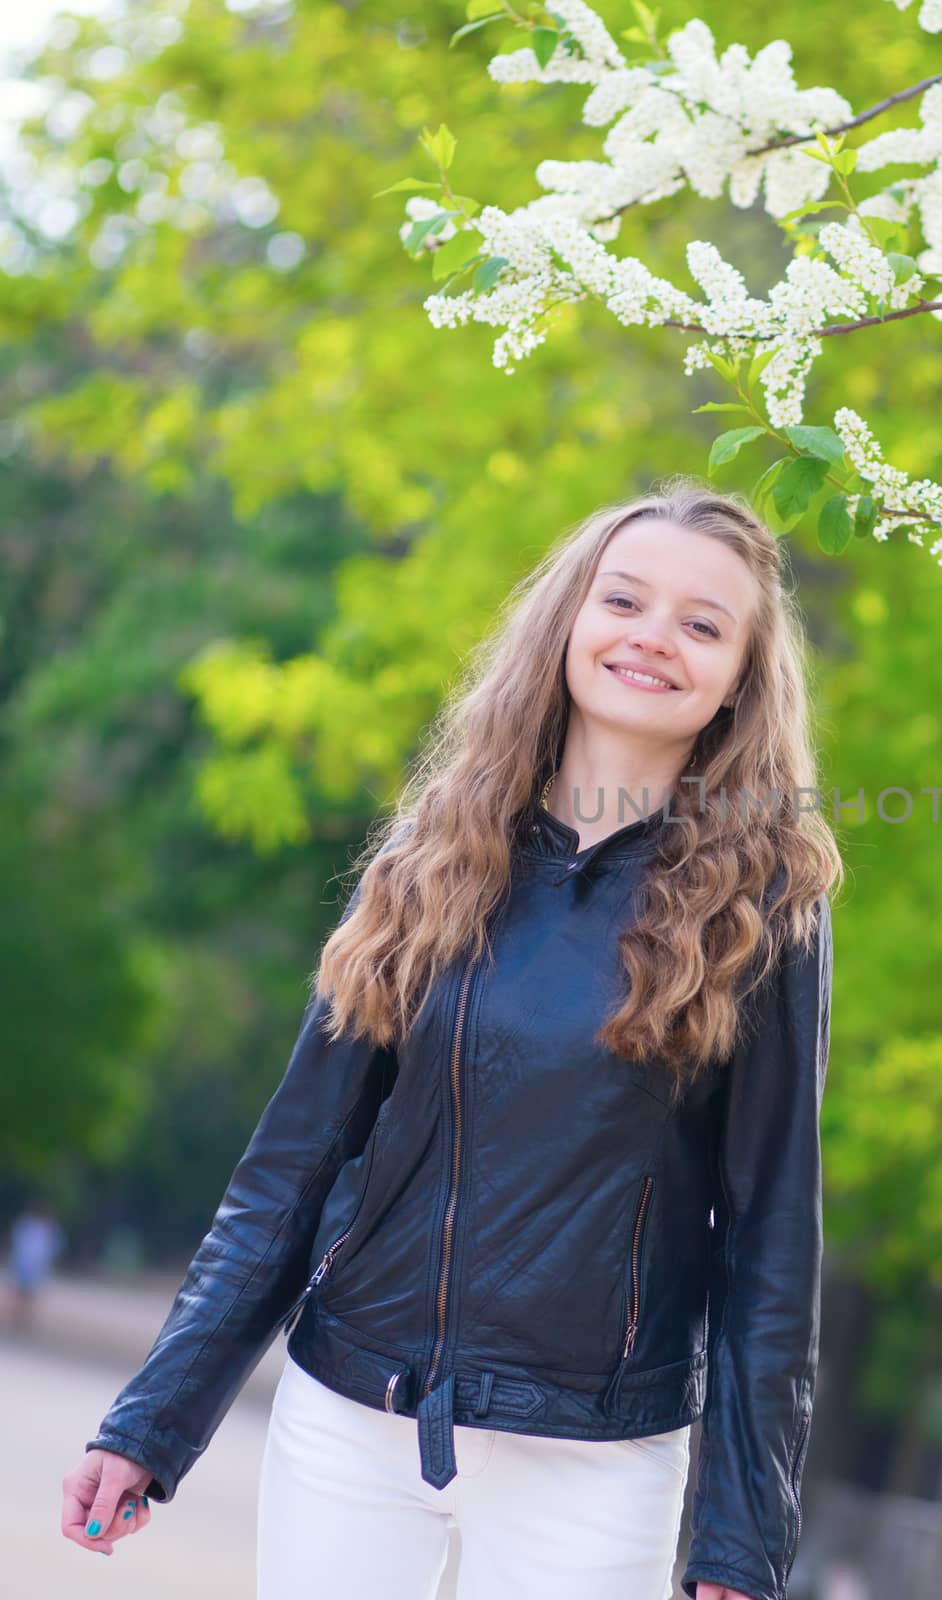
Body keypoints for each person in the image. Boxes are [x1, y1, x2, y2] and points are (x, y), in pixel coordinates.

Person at [63, 479, 843, 1600]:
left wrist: (739, 1541)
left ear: (738, 680)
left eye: (702, 624)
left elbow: (770, 1241)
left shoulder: (767, 904)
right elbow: (291, 1169)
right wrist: (154, 1417)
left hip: (596, 1455)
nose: (653, 638)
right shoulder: (434, 855)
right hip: (351, 1416)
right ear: (569, 619)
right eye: (624, 599)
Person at [4, 1198, 65, 1332]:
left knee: (29, 1295)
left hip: (35, 1266)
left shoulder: (47, 1229)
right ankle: (17, 1321)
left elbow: (53, 1249)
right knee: (20, 1293)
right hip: (25, 1264)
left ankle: (22, 1321)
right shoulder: (28, 1224)